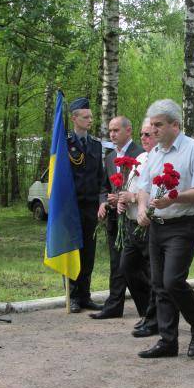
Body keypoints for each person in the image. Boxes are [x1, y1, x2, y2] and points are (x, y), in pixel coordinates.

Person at [137, 99, 194, 358]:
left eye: (158, 125)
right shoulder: (154, 154)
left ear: (175, 125)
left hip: (183, 225)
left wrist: (175, 198)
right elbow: (144, 188)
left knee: (172, 281)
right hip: (157, 226)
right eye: (152, 125)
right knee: (159, 284)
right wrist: (142, 208)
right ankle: (168, 341)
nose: (153, 130)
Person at [92, 116, 144, 320]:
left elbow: (145, 186)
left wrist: (126, 198)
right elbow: (104, 187)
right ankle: (114, 305)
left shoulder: (140, 154)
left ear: (128, 130)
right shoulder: (110, 156)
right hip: (114, 219)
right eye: (110, 130)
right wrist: (103, 202)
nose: (112, 134)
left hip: (134, 218)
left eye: (116, 130)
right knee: (116, 263)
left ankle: (149, 308)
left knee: (134, 265)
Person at [117, 119, 158, 337]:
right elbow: (133, 187)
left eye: (148, 134)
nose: (143, 138)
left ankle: (156, 318)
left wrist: (132, 197)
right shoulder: (141, 158)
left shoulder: (161, 160)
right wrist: (122, 200)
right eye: (142, 134)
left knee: (154, 274)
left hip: (150, 224)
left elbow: (155, 194)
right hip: (132, 224)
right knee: (127, 267)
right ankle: (146, 313)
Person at [66, 97, 104, 313]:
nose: (90, 120)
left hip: (90, 206)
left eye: (91, 116)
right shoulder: (64, 144)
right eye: (85, 117)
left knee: (88, 252)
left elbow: (100, 177)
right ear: (74, 118)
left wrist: (101, 202)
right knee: (73, 251)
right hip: (72, 207)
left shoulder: (96, 145)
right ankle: (72, 296)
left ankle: (85, 295)